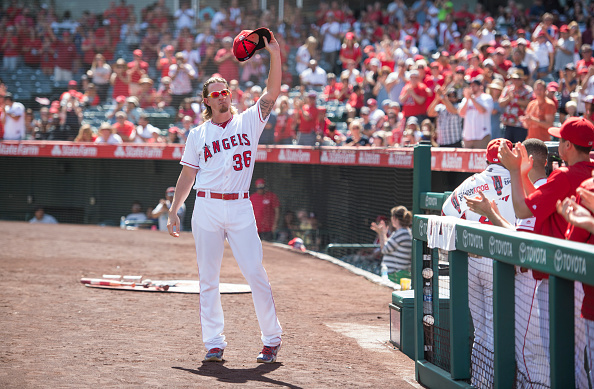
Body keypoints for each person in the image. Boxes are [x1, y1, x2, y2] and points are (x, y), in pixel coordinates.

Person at [165, 31, 283, 364]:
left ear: (231, 95)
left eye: (225, 92)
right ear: (206, 101)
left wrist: (274, 53)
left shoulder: (249, 122)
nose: (221, 97)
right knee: (208, 278)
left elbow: (272, 93)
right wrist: (175, 209)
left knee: (255, 272)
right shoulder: (197, 134)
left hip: (240, 205)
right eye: (215, 94)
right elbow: (188, 174)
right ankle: (214, 342)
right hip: (206, 206)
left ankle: (272, 338)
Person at [499, 118, 594, 388]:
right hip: (583, 277)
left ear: (567, 145)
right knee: (578, 361)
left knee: (565, 361)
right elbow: (539, 203)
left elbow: (521, 210)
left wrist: (515, 172)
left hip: (562, 277)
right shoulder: (587, 173)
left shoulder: (565, 175)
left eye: (560, 140)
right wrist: (525, 175)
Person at [442, 138, 517, 389]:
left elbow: (446, 213)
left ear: (486, 158)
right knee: (500, 328)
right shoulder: (519, 182)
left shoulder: (471, 182)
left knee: (482, 330)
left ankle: (481, 382)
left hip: (472, 262)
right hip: (502, 262)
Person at [370, 205, 412, 284]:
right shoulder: (403, 232)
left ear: (395, 218)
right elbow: (388, 246)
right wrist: (382, 234)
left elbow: (384, 249)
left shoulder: (401, 233)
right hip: (398, 273)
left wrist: (381, 234)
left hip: (396, 274)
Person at [458, 76, 493, 149]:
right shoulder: (465, 99)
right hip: (468, 136)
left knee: (482, 159)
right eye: (470, 86)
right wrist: (468, 99)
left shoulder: (486, 98)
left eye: (474, 86)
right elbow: (461, 113)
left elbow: (482, 110)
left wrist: (471, 98)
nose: (472, 88)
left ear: (481, 87)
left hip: (482, 135)